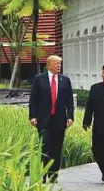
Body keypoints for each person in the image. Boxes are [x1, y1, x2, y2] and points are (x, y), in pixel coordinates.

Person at [29, 55, 74, 183]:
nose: (59, 66)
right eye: (56, 64)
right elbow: (33, 100)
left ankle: (53, 176)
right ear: (49, 65)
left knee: (57, 148)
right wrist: (32, 116)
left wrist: (70, 116)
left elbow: (69, 101)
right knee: (44, 146)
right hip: (43, 120)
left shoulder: (65, 80)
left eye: (60, 64)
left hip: (60, 120)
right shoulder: (39, 79)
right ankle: (43, 174)